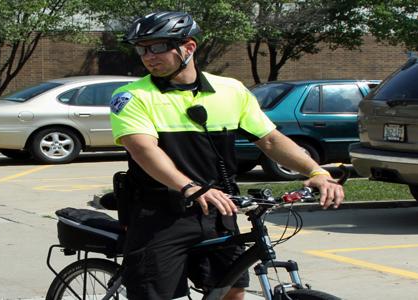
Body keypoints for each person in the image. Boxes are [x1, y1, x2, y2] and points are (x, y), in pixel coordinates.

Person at [109, 12, 344, 300]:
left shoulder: (230, 90)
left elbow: (270, 139)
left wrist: (316, 172)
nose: (148, 56)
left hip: (219, 209)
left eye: (157, 47)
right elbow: (143, 149)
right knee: (156, 295)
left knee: (231, 290)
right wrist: (190, 187)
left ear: (189, 47)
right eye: (141, 49)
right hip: (160, 213)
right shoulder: (132, 96)